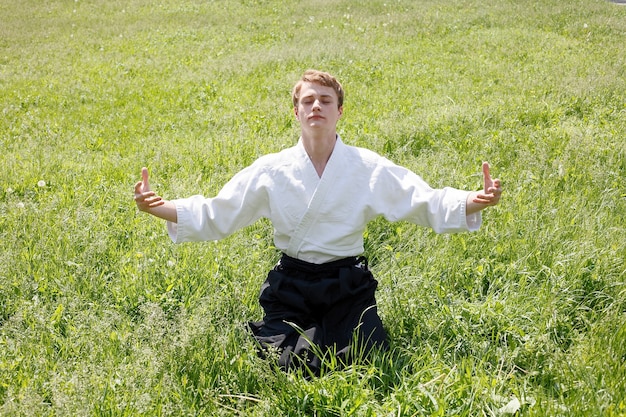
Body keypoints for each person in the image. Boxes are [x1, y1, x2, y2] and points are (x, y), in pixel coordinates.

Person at [134, 69, 502, 375]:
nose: (316, 106)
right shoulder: (271, 170)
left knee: (364, 355)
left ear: (340, 111)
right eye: (307, 101)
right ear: (295, 112)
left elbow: (419, 199)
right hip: (292, 284)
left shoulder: (366, 167)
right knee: (289, 361)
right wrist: (161, 208)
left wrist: (472, 201)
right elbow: (221, 212)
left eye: (325, 100)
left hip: (347, 282)